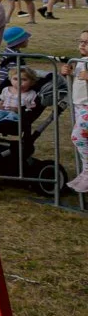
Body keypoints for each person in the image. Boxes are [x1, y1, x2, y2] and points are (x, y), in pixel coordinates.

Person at [61, 29, 88, 193]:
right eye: (81, 41)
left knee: (77, 136)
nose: (83, 45)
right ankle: (85, 172)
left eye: (87, 42)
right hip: (79, 106)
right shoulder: (80, 60)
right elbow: (77, 83)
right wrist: (67, 74)